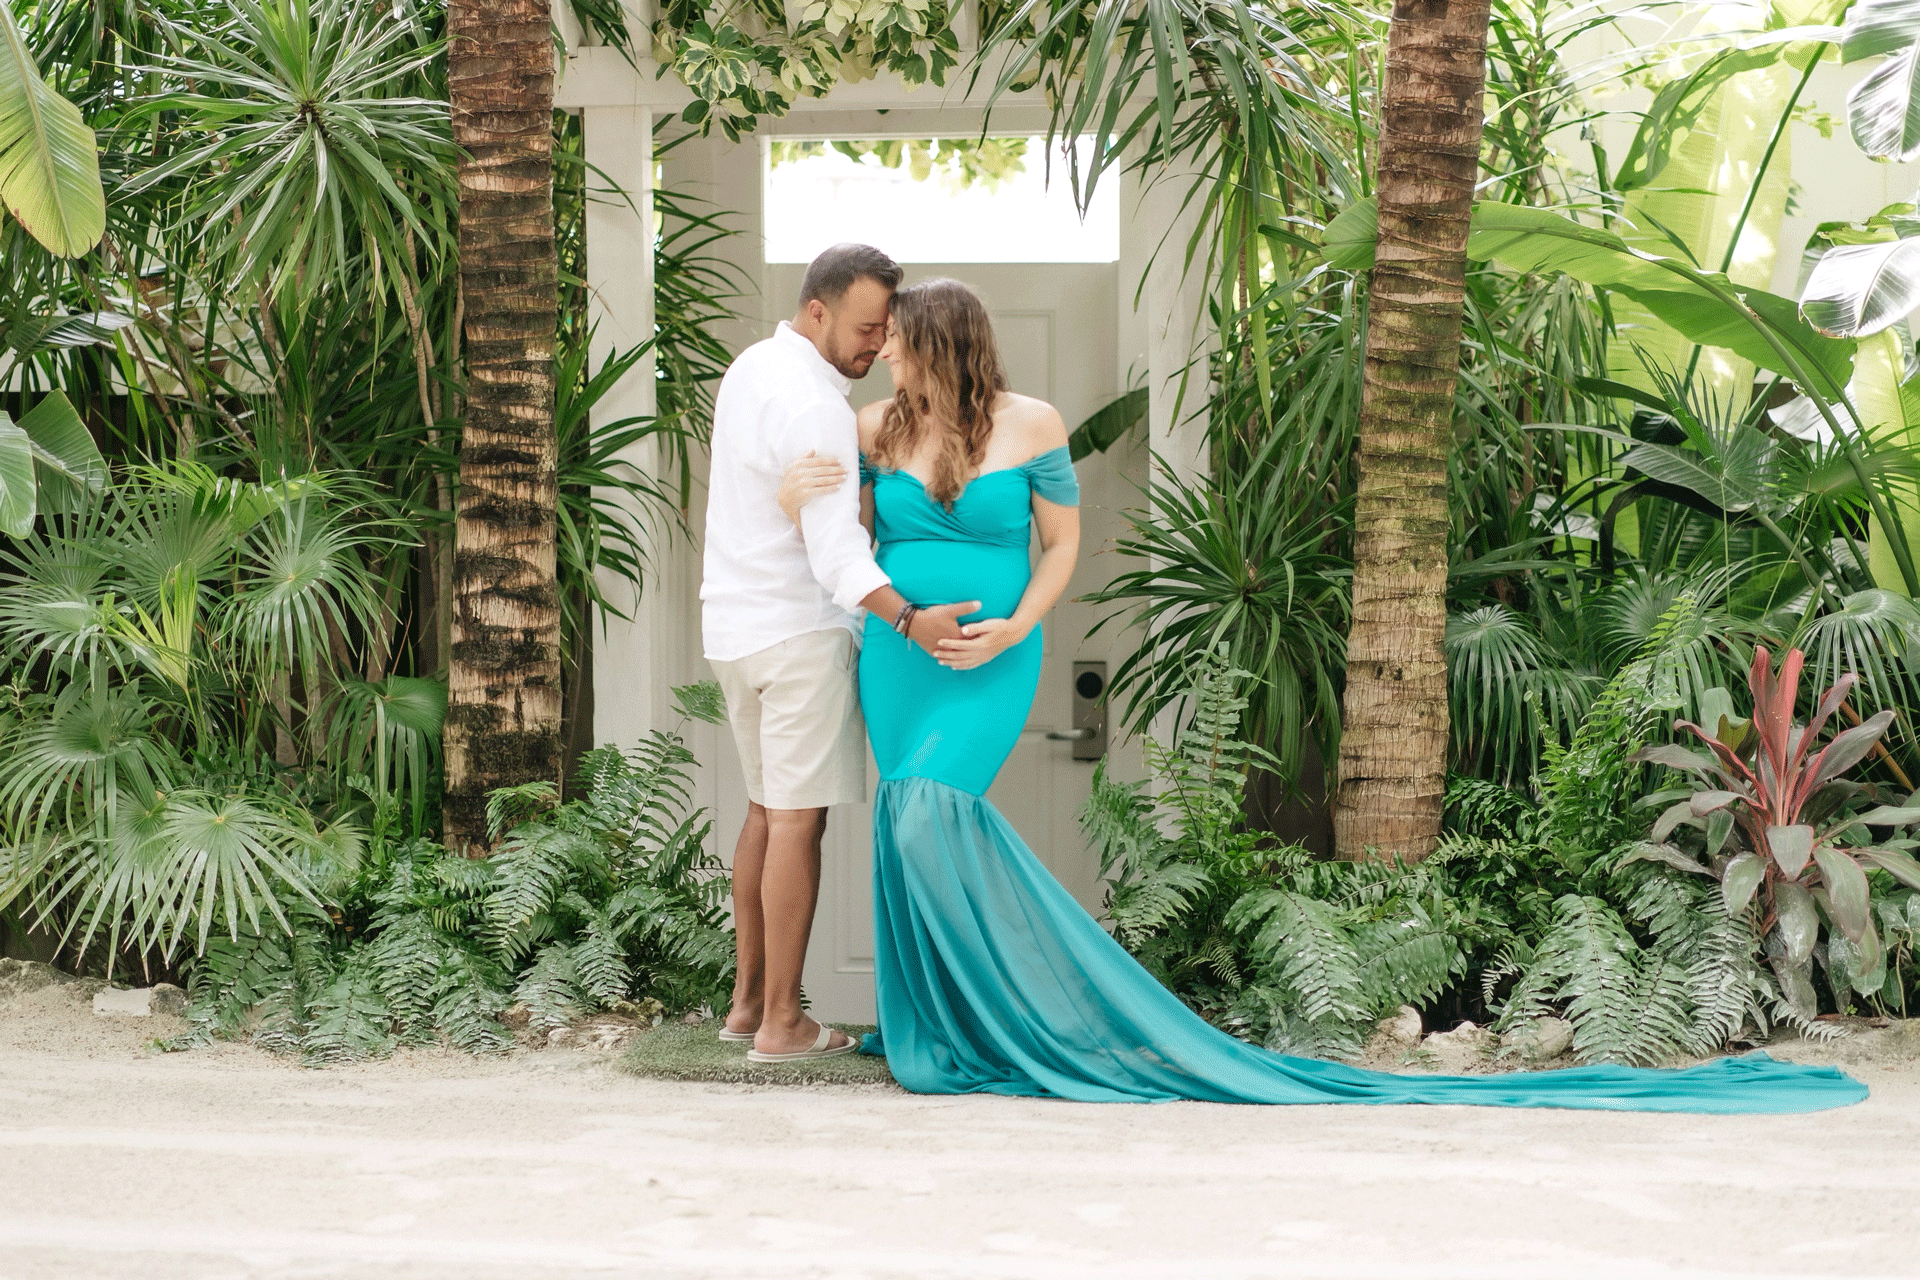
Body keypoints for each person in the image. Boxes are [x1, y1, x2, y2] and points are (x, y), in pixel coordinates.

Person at [772, 276, 1867, 1113]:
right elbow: (835, 534)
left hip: (992, 658)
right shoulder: (875, 432)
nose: (884, 362)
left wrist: (1020, 621)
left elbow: (1061, 547)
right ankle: (941, 1020)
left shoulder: (1033, 421)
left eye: (901, 344)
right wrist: (795, 497)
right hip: (899, 657)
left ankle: (1017, 1017)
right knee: (904, 824)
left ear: (944, 345)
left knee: (929, 811)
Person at [701, 245, 979, 1064]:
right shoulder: (818, 405)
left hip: (736, 628)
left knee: (762, 811)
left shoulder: (751, 366)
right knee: (797, 822)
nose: (874, 344)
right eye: (864, 328)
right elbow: (835, 557)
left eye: (884, 329)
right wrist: (910, 619)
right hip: (798, 632)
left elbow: (776, 504)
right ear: (817, 311)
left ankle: (748, 1007)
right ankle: (785, 1024)